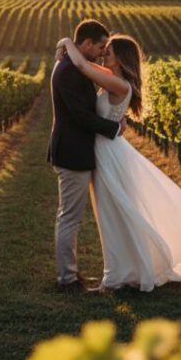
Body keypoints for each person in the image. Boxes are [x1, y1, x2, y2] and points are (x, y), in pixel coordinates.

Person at [56, 33, 181, 292]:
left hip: (109, 155)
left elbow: (83, 66)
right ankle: (123, 272)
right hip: (105, 150)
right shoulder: (113, 78)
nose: (103, 54)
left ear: (120, 58)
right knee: (113, 214)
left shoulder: (119, 85)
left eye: (108, 52)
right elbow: (86, 68)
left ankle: (122, 274)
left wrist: (65, 42)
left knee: (117, 214)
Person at [47, 19, 124, 292]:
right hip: (72, 151)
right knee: (69, 217)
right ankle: (66, 280)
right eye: (101, 45)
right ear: (87, 43)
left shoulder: (74, 65)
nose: (103, 51)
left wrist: (64, 43)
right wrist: (114, 127)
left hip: (76, 149)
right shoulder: (68, 70)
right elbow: (80, 115)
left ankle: (68, 275)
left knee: (69, 217)